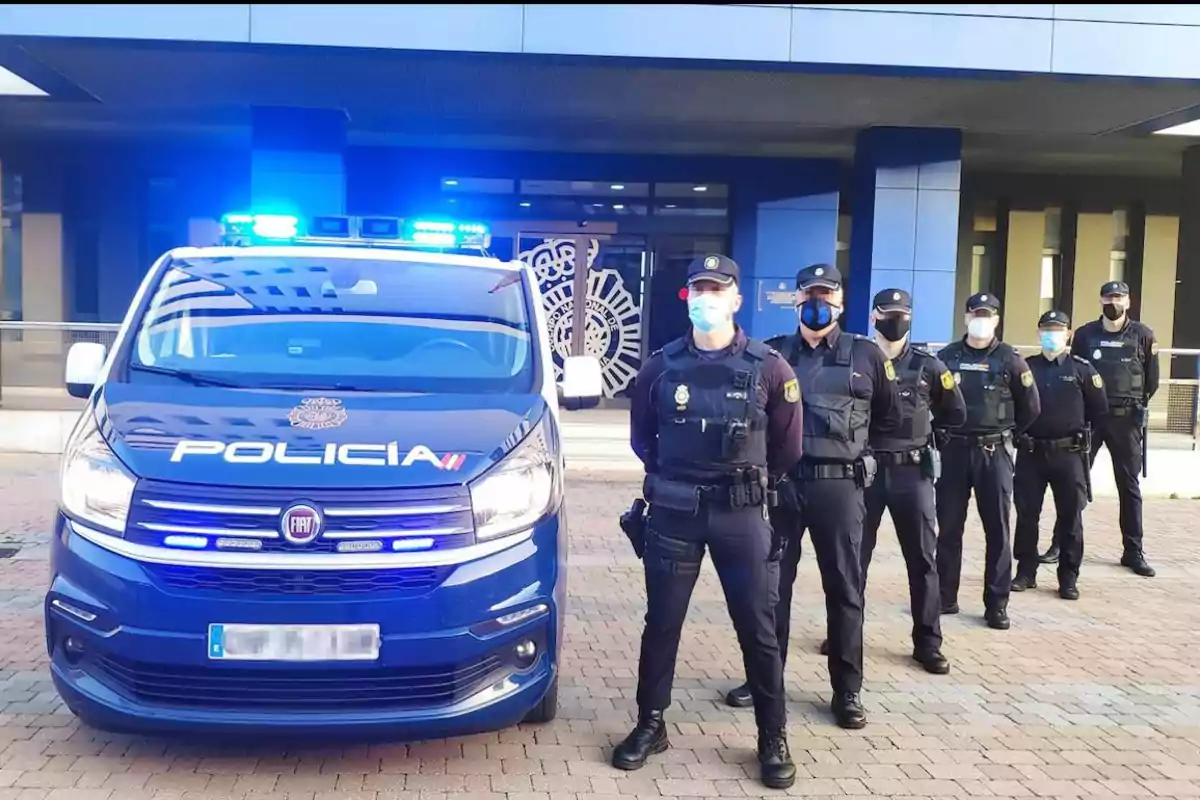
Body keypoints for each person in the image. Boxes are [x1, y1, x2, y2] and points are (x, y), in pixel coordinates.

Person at [615, 254, 803, 790]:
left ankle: (772, 735)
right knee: (662, 623)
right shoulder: (659, 366)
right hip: (674, 513)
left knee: (758, 628)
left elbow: (787, 449)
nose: (705, 298)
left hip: (741, 515)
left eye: (716, 289)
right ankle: (651, 723)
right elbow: (642, 440)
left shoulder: (770, 368)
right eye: (697, 289)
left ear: (736, 299)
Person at [723, 263, 901, 730]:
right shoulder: (774, 353)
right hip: (784, 485)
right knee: (770, 588)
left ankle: (847, 690)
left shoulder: (865, 355)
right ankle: (764, 680)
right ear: (797, 301)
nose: (818, 304)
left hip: (840, 489)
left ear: (840, 303)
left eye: (827, 296)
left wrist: (859, 458)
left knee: (844, 588)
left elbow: (889, 419)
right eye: (809, 296)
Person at [859, 288, 965, 674]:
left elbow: (954, 414)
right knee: (853, 561)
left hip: (913, 474)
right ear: (874, 317)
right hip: (865, 474)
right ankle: (845, 633)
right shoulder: (856, 361)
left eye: (902, 313)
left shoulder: (929, 366)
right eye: (888, 312)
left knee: (922, 561)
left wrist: (929, 444)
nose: (896, 319)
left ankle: (928, 642)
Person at [935, 292, 1041, 631]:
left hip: (993, 453)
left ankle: (996, 603)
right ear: (966, 317)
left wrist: (1007, 433)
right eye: (976, 314)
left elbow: (1031, 408)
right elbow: (933, 401)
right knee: (949, 527)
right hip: (954, 452)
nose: (982, 320)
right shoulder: (948, 357)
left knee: (997, 529)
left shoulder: (1011, 360)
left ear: (997, 320)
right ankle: (944, 596)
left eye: (988, 315)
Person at [1041, 281, 1158, 578]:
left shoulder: (1143, 335)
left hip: (1125, 420)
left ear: (1128, 301)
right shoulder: (1084, 335)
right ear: (1100, 299)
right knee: (1074, 484)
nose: (1113, 302)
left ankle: (1133, 550)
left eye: (1119, 297)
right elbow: (1074, 371)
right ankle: (1060, 544)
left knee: (1128, 486)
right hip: (1090, 421)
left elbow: (1151, 381)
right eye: (1108, 296)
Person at [1012, 310, 1108, 600]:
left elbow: (1098, 410)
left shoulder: (1082, 369)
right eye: (1047, 329)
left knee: (1070, 517)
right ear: (1039, 332)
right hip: (1031, 452)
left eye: (1059, 329)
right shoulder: (1026, 368)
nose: (1052, 334)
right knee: (1027, 515)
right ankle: (1025, 571)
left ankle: (1068, 577)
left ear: (1069, 334)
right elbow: (1014, 405)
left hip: (1069, 454)